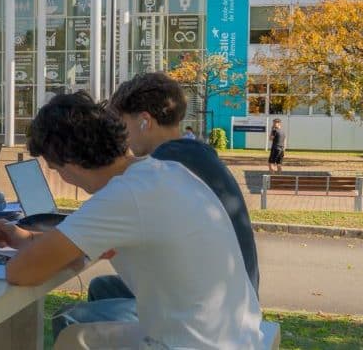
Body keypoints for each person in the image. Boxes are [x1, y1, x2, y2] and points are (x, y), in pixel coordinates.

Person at [0, 91, 262, 349]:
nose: (61, 177)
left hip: (193, 343)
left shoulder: (123, 196)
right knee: (77, 335)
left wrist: (31, 249)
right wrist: (28, 239)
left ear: (69, 166)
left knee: (74, 338)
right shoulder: (165, 173)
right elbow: (92, 246)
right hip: (236, 336)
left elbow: (20, 272)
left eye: (55, 169)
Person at [90, 72, 259, 301]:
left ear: (144, 121)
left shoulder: (164, 167)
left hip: (212, 299)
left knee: (73, 317)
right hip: (239, 289)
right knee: (104, 288)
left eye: (123, 126)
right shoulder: (197, 154)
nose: (123, 137)